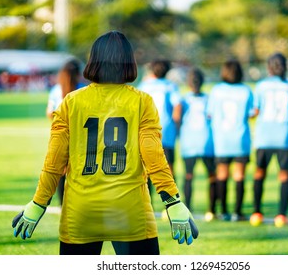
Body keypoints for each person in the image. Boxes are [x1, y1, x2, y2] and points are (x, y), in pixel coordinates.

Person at [12, 30, 198, 255]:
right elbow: (154, 157)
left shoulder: (70, 102)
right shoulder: (142, 101)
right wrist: (172, 202)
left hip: (81, 212)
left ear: (93, 61)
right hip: (130, 212)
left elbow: (55, 162)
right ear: (129, 62)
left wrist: (38, 204)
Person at [250, 52, 288, 227]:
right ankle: (281, 215)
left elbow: (255, 111)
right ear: (285, 67)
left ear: (269, 67)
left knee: (259, 173)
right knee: (284, 175)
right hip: (284, 137)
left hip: (264, 137)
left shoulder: (261, 86)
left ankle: (256, 212)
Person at [207, 59, 254, 221]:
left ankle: (224, 211)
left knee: (222, 175)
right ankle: (237, 212)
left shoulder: (216, 91)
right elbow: (252, 112)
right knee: (239, 175)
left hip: (222, 140)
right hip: (241, 139)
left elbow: (210, 113)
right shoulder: (246, 90)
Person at [137, 59, 182, 199]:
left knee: (146, 168)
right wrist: (177, 126)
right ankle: (170, 201)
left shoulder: (144, 85)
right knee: (168, 167)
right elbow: (177, 107)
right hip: (166, 132)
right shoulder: (170, 86)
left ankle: (147, 201)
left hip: (146, 132)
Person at [45, 59, 83, 206]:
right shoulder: (82, 89)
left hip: (60, 136)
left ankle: (62, 205)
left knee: (61, 170)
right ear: (78, 74)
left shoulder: (56, 90)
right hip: (80, 136)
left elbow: (49, 112)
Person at [179, 68, 216, 215]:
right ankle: (212, 210)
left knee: (189, 176)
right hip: (207, 142)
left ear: (188, 83)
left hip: (188, 144)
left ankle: (187, 208)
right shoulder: (208, 99)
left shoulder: (183, 100)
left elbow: (177, 118)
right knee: (211, 175)